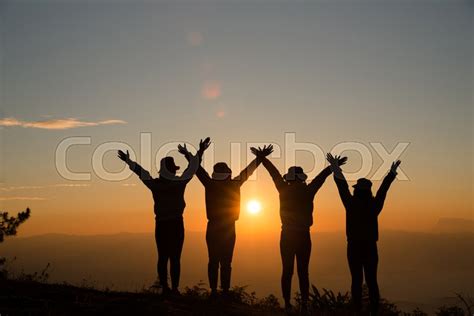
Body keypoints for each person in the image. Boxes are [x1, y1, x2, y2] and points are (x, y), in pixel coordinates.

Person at [253, 146, 347, 312]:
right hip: (304, 236)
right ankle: (303, 304)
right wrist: (334, 166)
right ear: (302, 178)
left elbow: (273, 172)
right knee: (303, 272)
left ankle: (288, 303)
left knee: (287, 270)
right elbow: (321, 178)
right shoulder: (308, 190)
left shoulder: (283, 189)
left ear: (290, 178)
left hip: (287, 235)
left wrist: (263, 158)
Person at [178, 138, 272, 297]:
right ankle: (225, 291)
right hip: (229, 227)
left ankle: (214, 291)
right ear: (228, 174)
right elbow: (248, 171)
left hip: (213, 227)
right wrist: (260, 157)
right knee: (226, 263)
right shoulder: (234, 184)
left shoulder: (210, 184)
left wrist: (193, 153)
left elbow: (197, 168)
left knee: (213, 260)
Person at [117, 148, 199, 296]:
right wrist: (199, 152)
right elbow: (192, 168)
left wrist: (128, 161)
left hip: (161, 225)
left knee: (163, 257)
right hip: (176, 224)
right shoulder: (179, 183)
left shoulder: (156, 185)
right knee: (175, 258)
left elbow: (142, 173)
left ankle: (165, 288)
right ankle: (174, 289)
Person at [327, 153, 401, 315]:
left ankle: (357, 309)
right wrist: (392, 173)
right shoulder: (375, 206)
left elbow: (342, 187)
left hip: (353, 246)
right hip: (370, 247)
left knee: (356, 280)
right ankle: (374, 309)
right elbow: (383, 190)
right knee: (372, 280)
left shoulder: (351, 204)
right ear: (368, 191)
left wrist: (335, 167)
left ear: (357, 191)